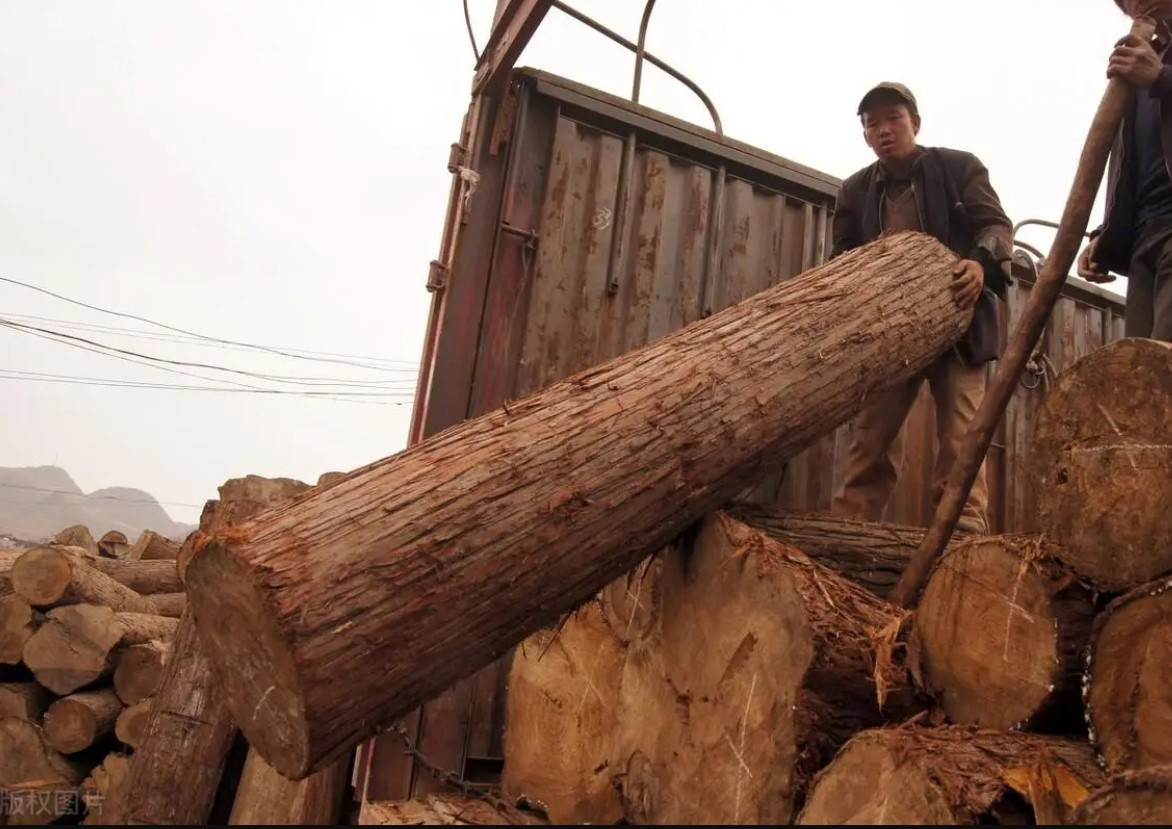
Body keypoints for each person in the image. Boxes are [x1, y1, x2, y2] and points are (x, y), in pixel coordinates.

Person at [828, 82, 1013, 534]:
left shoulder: (958, 167)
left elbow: (996, 225)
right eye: (873, 124)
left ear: (916, 122)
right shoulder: (854, 191)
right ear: (866, 135)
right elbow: (839, 262)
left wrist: (980, 263)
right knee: (871, 437)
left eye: (893, 117)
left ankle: (962, 534)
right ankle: (851, 534)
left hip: (957, 317)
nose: (884, 129)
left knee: (961, 433)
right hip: (890, 329)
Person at [1077, 0, 1172, 342]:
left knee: (1164, 368)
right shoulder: (1143, 65)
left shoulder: (1153, 71)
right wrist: (1108, 233)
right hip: (1145, 238)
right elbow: (1132, 166)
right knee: (1140, 371)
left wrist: (1162, 78)